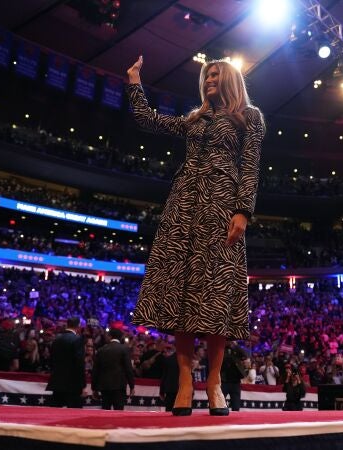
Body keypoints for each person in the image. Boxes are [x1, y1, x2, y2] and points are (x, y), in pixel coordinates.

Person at [125, 54, 265, 416]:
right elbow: (146, 120)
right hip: (183, 206)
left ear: (231, 79)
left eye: (216, 75)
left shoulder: (250, 117)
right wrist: (134, 83)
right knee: (182, 294)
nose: (209, 80)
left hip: (221, 206)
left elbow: (250, 166)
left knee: (216, 295)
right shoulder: (194, 119)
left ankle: (214, 382)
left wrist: (243, 210)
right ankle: (186, 381)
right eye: (206, 76)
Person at [91, 328, 135, 410]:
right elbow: (128, 369)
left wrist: (94, 388)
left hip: (105, 387)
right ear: (121, 337)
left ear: (110, 336)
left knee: (105, 411)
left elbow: (95, 370)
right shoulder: (124, 349)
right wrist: (132, 386)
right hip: (119, 386)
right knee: (118, 412)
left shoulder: (101, 350)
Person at [46, 317, 85, 408]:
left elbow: (51, 360)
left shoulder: (56, 339)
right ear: (78, 326)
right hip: (73, 384)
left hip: (57, 381)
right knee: (74, 413)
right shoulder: (77, 339)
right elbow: (79, 363)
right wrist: (82, 384)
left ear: (67, 325)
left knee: (55, 411)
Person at [220, 341, 248, 411]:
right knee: (220, 403)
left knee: (236, 405)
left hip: (235, 381)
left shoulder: (236, 350)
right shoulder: (221, 349)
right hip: (224, 381)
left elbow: (245, 355)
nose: (230, 341)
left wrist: (236, 345)